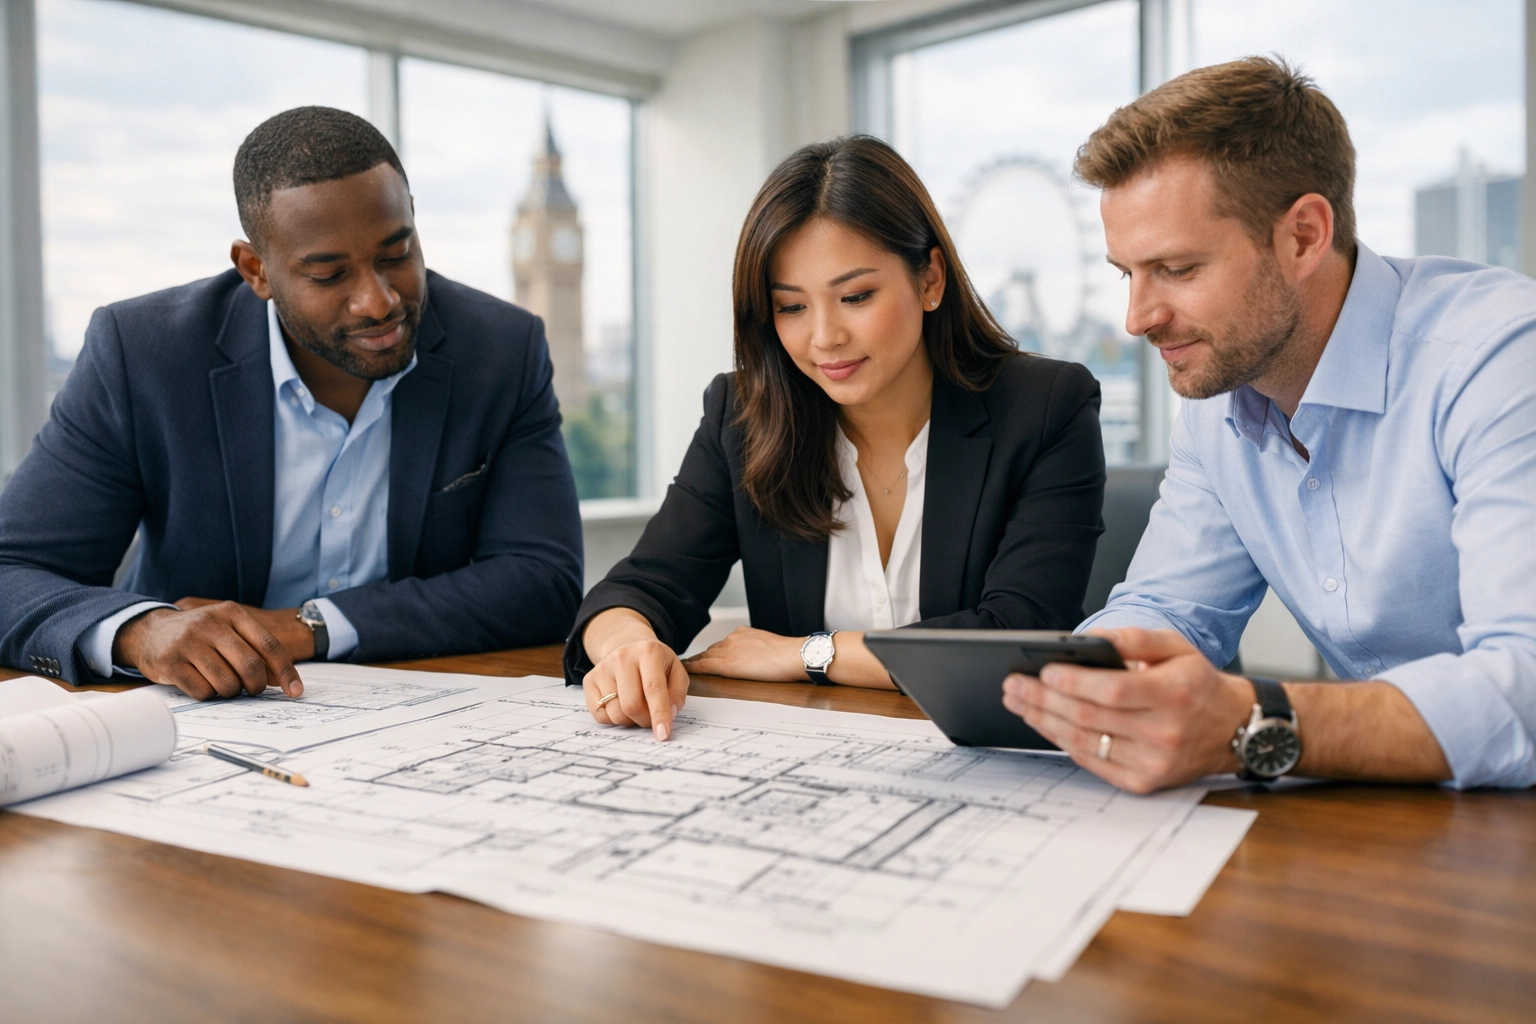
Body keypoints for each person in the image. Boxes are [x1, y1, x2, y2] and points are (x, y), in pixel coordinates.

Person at [1000, 57, 1536, 792]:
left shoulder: (1499, 360)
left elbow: (1526, 687)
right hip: (1406, 807)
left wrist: (1255, 721)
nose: (1137, 318)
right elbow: (1170, 609)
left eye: (1177, 269)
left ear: (1304, 237)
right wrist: (1075, 687)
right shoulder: (1218, 399)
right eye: (1128, 273)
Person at [0, 106, 584, 700]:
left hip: (421, 705)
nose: (378, 301)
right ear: (256, 270)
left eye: (395, 255)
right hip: (190, 717)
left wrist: (305, 628)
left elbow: (544, 581)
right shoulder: (144, 355)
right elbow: (10, 572)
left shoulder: (500, 349)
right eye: (329, 275)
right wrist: (141, 633)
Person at [567, 136, 1107, 741]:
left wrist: (805, 653)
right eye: (791, 307)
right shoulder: (743, 416)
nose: (824, 337)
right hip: (813, 758)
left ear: (930, 279)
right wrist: (628, 645)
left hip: (999, 755)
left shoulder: (1045, 408)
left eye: (855, 297)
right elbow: (640, 587)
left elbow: (1019, 636)